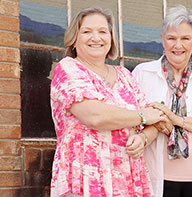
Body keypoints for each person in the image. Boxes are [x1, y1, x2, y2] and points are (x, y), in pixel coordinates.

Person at [50, 7, 165, 197]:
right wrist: (142, 116)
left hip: (128, 180)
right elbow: (94, 116)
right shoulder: (68, 69)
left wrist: (144, 138)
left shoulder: (125, 75)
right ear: (74, 40)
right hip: (85, 180)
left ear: (111, 39)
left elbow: (156, 121)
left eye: (103, 31)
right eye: (87, 31)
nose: (96, 38)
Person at [132, 5, 192, 197]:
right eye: (171, 38)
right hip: (156, 177)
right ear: (162, 40)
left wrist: (177, 120)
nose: (178, 45)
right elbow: (132, 118)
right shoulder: (143, 73)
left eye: (185, 38)